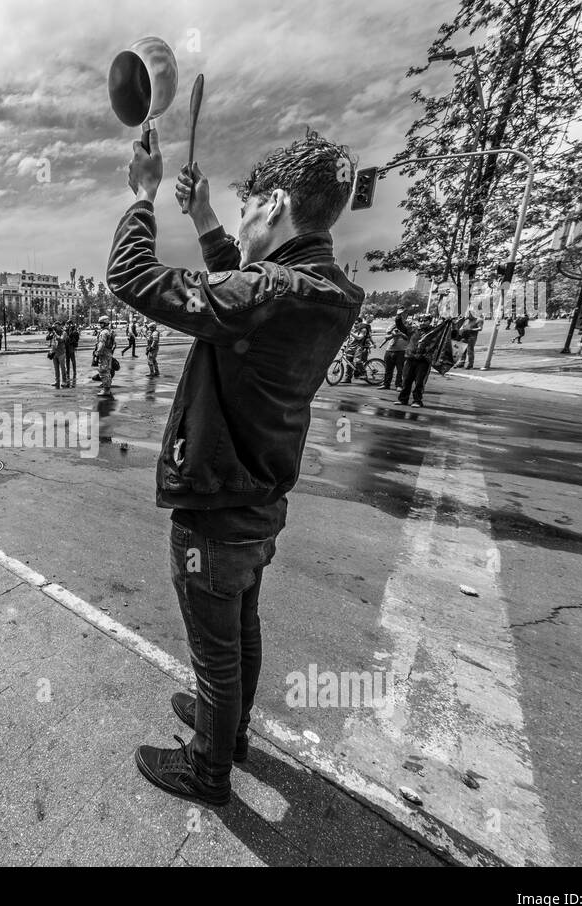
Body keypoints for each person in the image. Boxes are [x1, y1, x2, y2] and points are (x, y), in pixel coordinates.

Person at [112, 128, 361, 806]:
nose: (242, 215)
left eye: (248, 203)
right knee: (242, 633)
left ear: (275, 202)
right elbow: (243, 289)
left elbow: (132, 277)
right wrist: (203, 219)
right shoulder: (324, 287)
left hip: (217, 512)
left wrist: (144, 195)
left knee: (216, 655)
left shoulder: (270, 289)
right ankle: (232, 731)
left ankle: (207, 768)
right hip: (258, 505)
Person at [395, 312, 436, 408]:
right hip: (410, 359)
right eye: (420, 320)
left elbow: (449, 334)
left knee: (419, 382)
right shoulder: (413, 330)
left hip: (423, 361)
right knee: (406, 381)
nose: (422, 322)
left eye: (425, 320)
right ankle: (403, 400)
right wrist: (398, 317)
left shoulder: (434, 332)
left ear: (430, 321)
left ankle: (417, 401)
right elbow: (401, 327)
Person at [339, 315, 374, 383]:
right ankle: (348, 378)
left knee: (357, 360)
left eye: (356, 323)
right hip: (350, 347)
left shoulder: (363, 329)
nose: (354, 325)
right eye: (354, 323)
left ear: (361, 323)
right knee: (349, 363)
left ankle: (363, 373)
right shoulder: (352, 329)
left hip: (359, 347)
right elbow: (346, 338)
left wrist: (350, 332)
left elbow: (359, 338)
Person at [379, 312, 409, 390]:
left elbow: (409, 338)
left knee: (400, 369)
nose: (401, 318)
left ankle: (398, 385)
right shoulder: (392, 326)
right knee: (388, 369)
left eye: (403, 316)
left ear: (406, 317)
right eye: (399, 316)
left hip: (402, 350)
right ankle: (386, 384)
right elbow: (386, 337)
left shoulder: (409, 326)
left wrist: (401, 334)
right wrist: (393, 335)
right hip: (390, 350)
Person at [93, 316, 117, 396]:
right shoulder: (110, 332)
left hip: (104, 354)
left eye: (101, 323)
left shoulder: (103, 333)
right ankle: (107, 389)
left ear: (105, 323)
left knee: (103, 372)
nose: (100, 325)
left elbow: (101, 344)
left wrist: (97, 353)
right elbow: (114, 344)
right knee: (107, 372)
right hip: (109, 353)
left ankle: (106, 390)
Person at [48, 322, 68, 388]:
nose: (55, 328)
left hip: (61, 353)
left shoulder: (64, 333)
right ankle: (57, 381)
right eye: (54, 327)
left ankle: (64, 381)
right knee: (56, 368)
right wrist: (50, 332)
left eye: (56, 326)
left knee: (62, 368)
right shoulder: (53, 333)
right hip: (54, 352)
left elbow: (61, 339)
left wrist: (55, 334)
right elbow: (47, 338)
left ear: (60, 326)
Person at [63, 318, 80, 386]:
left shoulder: (74, 330)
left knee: (73, 360)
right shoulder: (66, 330)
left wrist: (71, 331)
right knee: (67, 360)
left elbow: (76, 337)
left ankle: (74, 371)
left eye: (70, 324)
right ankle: (67, 372)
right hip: (66, 347)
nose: (69, 325)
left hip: (71, 347)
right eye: (68, 324)